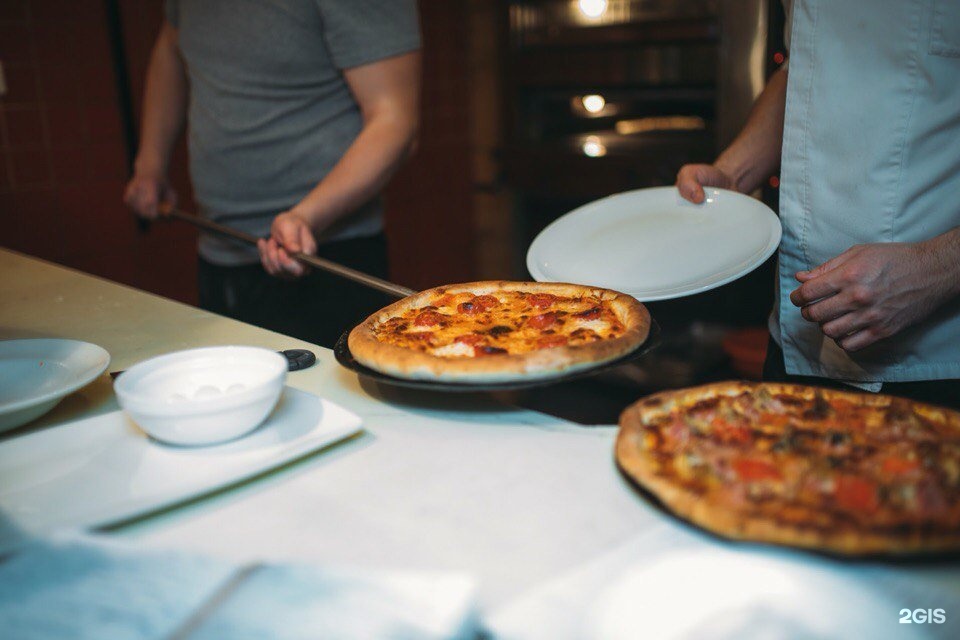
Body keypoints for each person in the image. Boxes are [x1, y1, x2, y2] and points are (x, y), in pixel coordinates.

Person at [676, 0, 960, 408]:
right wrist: (732, 175)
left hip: (938, 361)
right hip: (797, 342)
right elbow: (805, 67)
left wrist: (936, 268)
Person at [124, 1, 421, 347]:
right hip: (217, 250)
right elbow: (171, 47)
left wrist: (306, 216)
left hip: (326, 258)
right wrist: (150, 163)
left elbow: (396, 122)